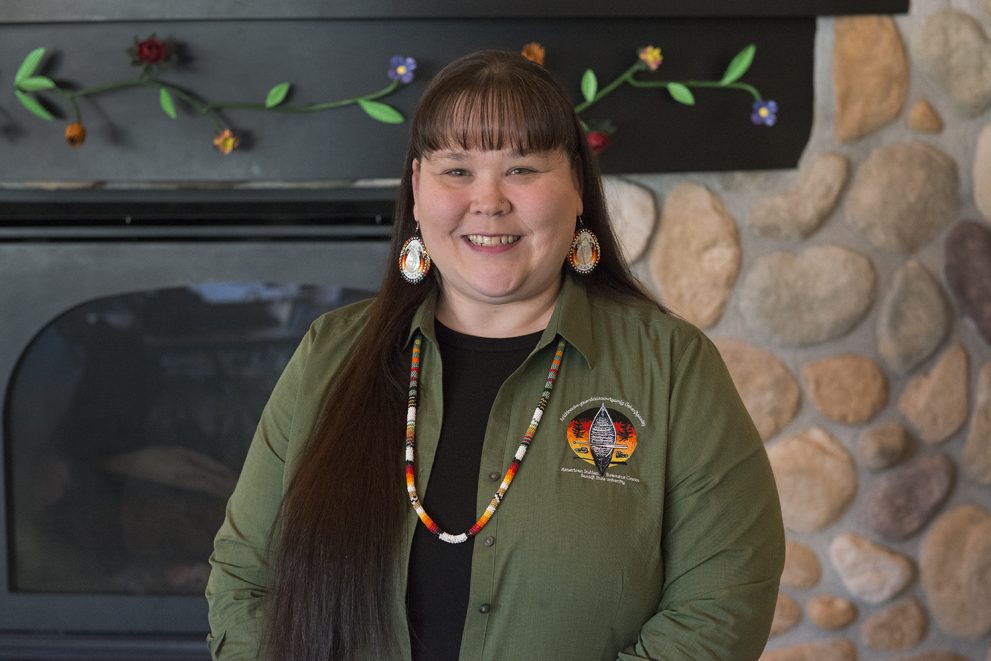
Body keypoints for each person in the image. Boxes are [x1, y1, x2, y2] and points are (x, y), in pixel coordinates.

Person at [206, 49, 784, 661]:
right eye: (456, 170)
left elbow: (722, 605)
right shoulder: (330, 353)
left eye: (524, 169)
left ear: (579, 189)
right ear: (416, 188)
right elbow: (244, 581)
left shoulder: (671, 365)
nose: (488, 201)